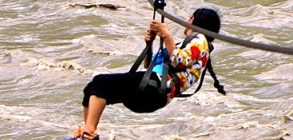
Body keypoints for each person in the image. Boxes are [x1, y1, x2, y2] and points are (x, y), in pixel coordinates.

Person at [66, 7, 224, 140]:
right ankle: (87, 132)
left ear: (192, 19)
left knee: (100, 83)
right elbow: (149, 65)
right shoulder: (185, 44)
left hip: (155, 88)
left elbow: (178, 61)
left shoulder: (200, 39)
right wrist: (149, 44)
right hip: (152, 88)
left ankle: (89, 134)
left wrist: (166, 35)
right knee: (92, 89)